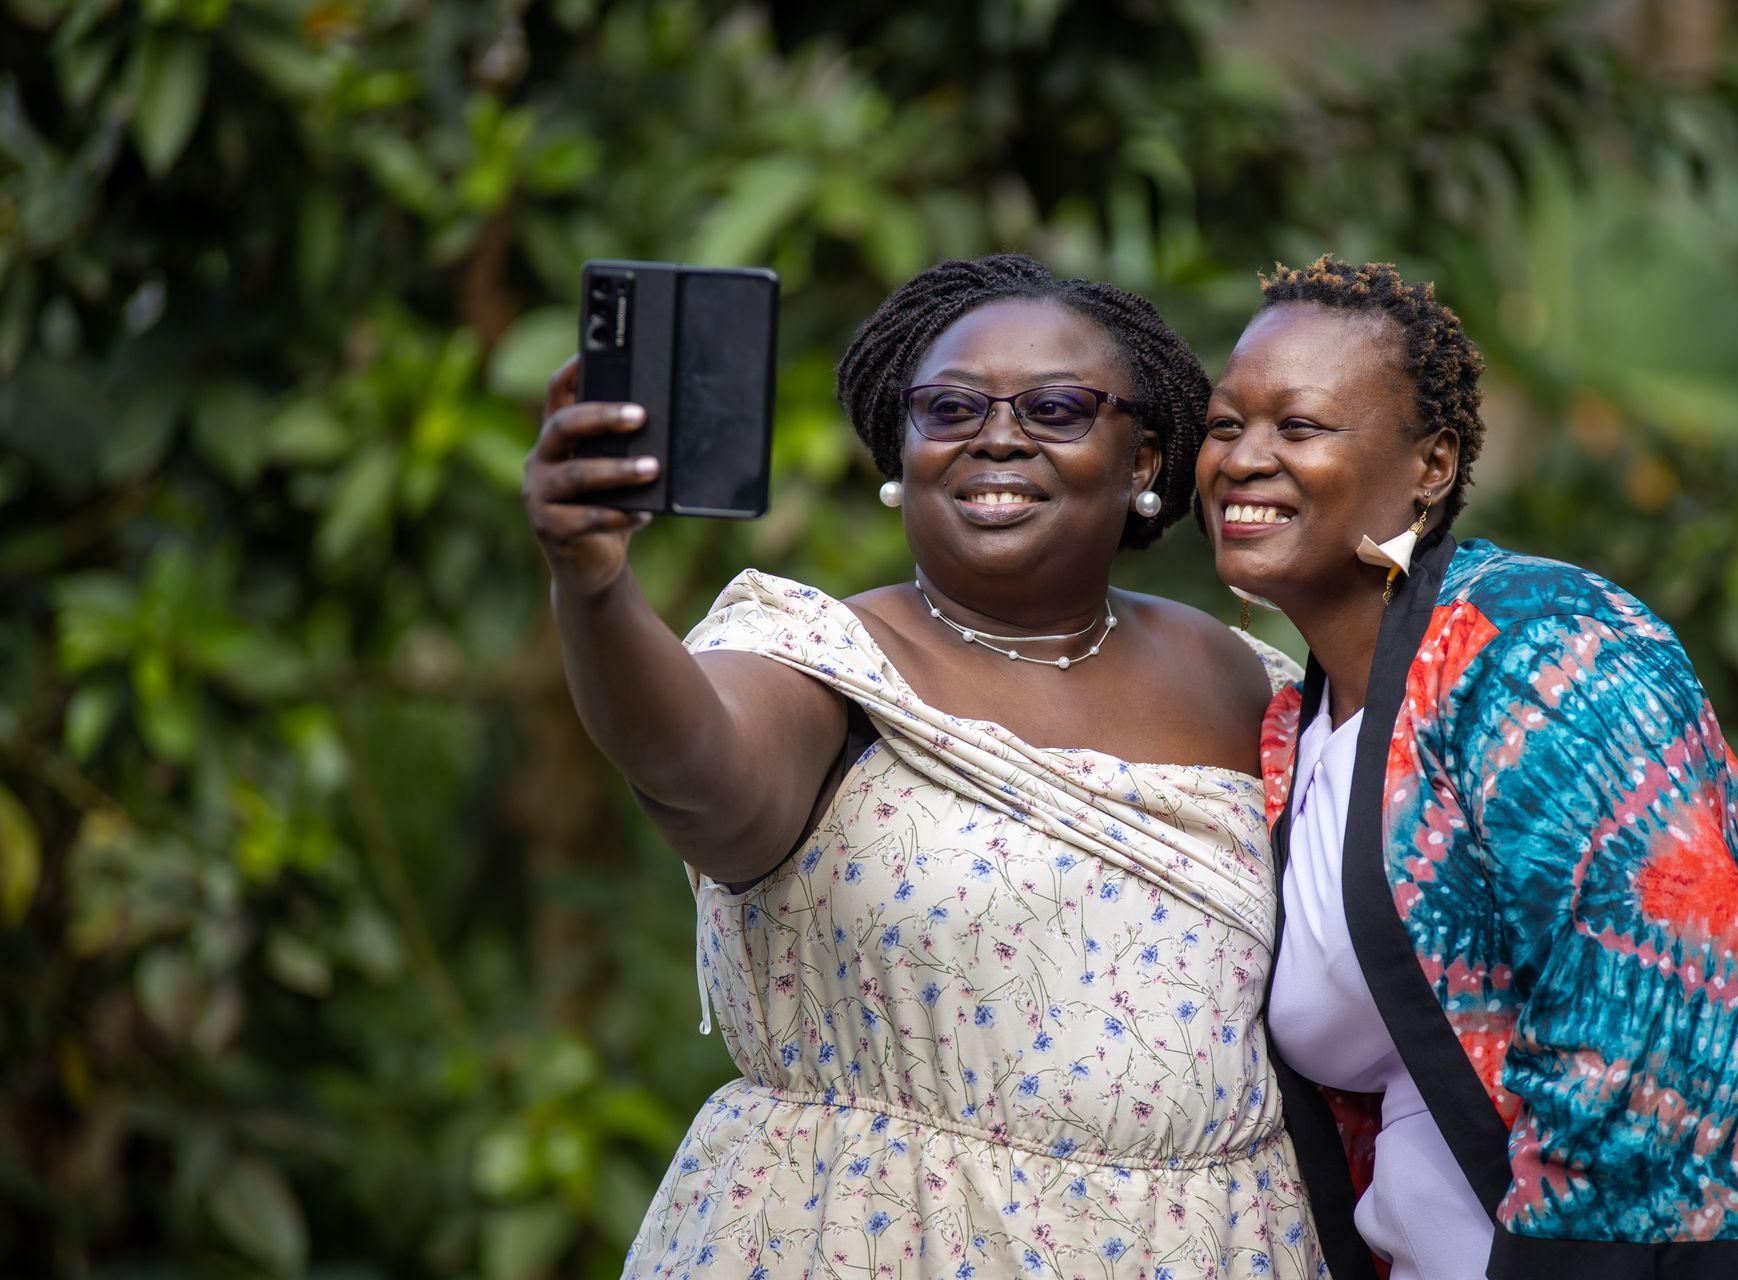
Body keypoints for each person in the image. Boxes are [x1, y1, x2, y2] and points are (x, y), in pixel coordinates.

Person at [523, 254, 1326, 1278]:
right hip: (872, 1234)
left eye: (1056, 408)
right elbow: (691, 762)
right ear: (901, 449)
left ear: (1143, 460)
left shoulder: (1253, 680)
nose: (998, 436)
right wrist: (594, 585)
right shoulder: (820, 659)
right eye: (950, 408)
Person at [1193, 255, 1738, 1280]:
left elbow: (1653, 1022)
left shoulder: (1541, 645)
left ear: (1431, 466)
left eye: (1298, 425)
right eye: (1225, 425)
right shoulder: (1292, 731)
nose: (1243, 457)